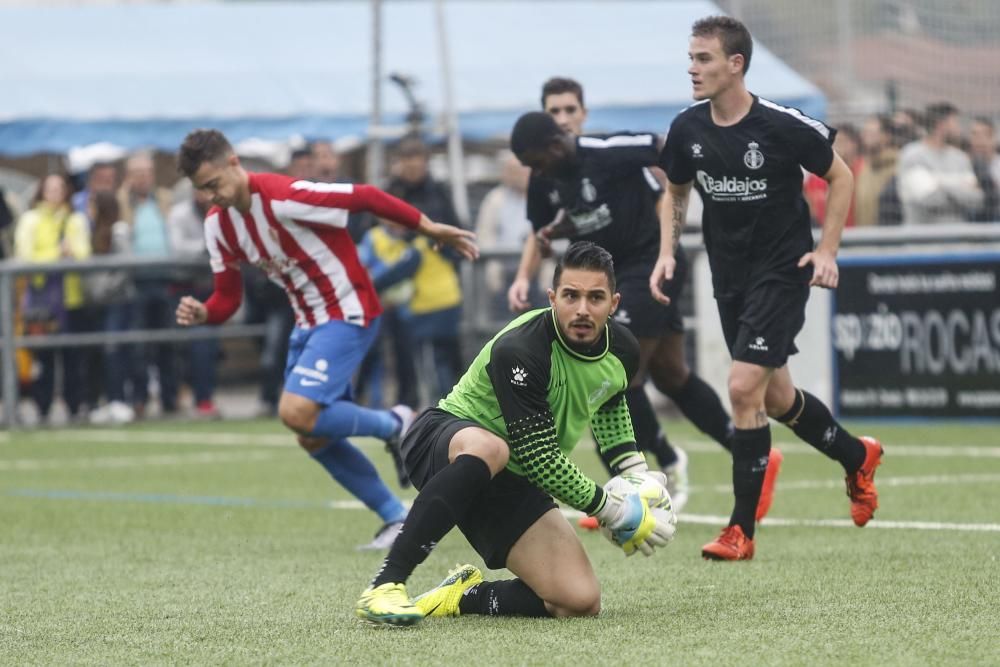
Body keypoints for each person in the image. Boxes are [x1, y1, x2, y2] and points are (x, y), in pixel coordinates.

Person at [174, 129, 478, 549]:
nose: (212, 196)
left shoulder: (284, 196)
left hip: (348, 310)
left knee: (295, 411)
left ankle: (397, 423)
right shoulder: (219, 227)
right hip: (308, 323)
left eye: (214, 185)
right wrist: (206, 311)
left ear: (234, 164)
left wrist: (428, 227)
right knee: (311, 433)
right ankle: (396, 517)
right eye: (202, 190)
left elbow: (367, 196)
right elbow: (228, 296)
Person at [653, 15, 883, 560]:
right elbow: (676, 190)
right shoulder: (688, 128)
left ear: (736, 64)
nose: (693, 68)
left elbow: (842, 175)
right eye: (690, 58)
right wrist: (666, 251)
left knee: (739, 388)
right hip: (728, 276)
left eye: (703, 58)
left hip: (782, 272)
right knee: (775, 398)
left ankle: (740, 532)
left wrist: (826, 251)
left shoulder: (780, 125)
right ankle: (857, 456)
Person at [354, 241, 676, 627]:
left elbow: (609, 402)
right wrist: (614, 510)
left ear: (614, 303)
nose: (582, 310)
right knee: (492, 447)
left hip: (513, 476)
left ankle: (462, 595)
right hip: (445, 443)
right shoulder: (522, 349)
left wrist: (634, 472)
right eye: (571, 296)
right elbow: (542, 461)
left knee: (579, 599)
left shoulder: (623, 348)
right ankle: (387, 584)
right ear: (552, 297)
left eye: (595, 298)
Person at [508, 78, 760, 519]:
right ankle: (748, 453)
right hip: (610, 277)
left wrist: (698, 191)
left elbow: (664, 148)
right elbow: (554, 225)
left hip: (651, 264)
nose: (541, 171)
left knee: (613, 371)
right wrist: (530, 264)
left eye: (569, 111)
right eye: (555, 110)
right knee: (671, 374)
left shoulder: (606, 151)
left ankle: (634, 484)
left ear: (567, 130)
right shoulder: (542, 175)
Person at [14, 173, 92, 424]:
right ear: (42, 192)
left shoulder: (75, 218)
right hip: (42, 304)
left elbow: (85, 254)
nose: (56, 194)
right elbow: (25, 257)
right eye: (50, 189)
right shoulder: (31, 219)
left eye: (60, 189)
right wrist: (56, 254)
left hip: (72, 299)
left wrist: (72, 254)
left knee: (73, 358)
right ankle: (43, 408)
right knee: (44, 360)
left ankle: (74, 407)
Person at [896, 102, 983, 225]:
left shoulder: (960, 157)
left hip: (958, 241)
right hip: (922, 240)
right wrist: (960, 188)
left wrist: (940, 184)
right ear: (941, 125)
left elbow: (976, 199)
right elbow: (930, 199)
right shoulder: (912, 155)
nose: (959, 128)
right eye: (955, 123)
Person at [967, 117, 1000, 222]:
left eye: (982, 135)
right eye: (973, 134)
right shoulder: (964, 164)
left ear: (993, 137)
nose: (977, 140)